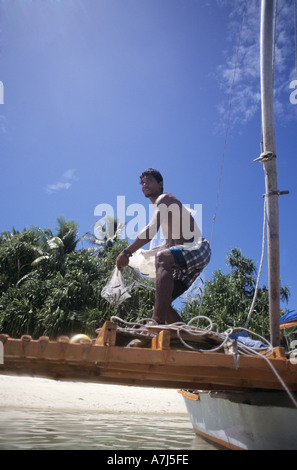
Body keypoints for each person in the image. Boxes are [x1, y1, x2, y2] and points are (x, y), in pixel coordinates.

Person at [116, 168, 211, 325]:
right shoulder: (165, 214)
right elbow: (167, 245)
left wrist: (126, 252)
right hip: (186, 260)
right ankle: (184, 335)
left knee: (162, 258)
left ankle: (156, 322)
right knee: (163, 301)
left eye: (149, 181)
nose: (145, 184)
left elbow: (151, 230)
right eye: (142, 182)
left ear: (160, 184)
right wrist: (143, 254)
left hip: (198, 247)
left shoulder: (165, 199)